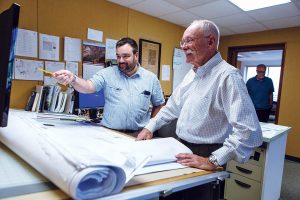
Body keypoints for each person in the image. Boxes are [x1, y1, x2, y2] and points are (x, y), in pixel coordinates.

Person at [137, 20, 263, 199]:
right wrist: (149, 127)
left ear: (210, 42)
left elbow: (250, 132)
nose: (183, 47)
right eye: (182, 42)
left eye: (188, 41)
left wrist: (213, 160)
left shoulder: (228, 76)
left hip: (206, 154)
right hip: (182, 148)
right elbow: (171, 107)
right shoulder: (192, 73)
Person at [54, 37, 165, 135]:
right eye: (118, 56)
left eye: (126, 56)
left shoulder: (151, 79)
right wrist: (73, 79)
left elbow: (159, 105)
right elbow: (88, 86)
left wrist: (150, 128)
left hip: (137, 135)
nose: (121, 60)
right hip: (110, 133)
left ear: (136, 56)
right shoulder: (107, 73)